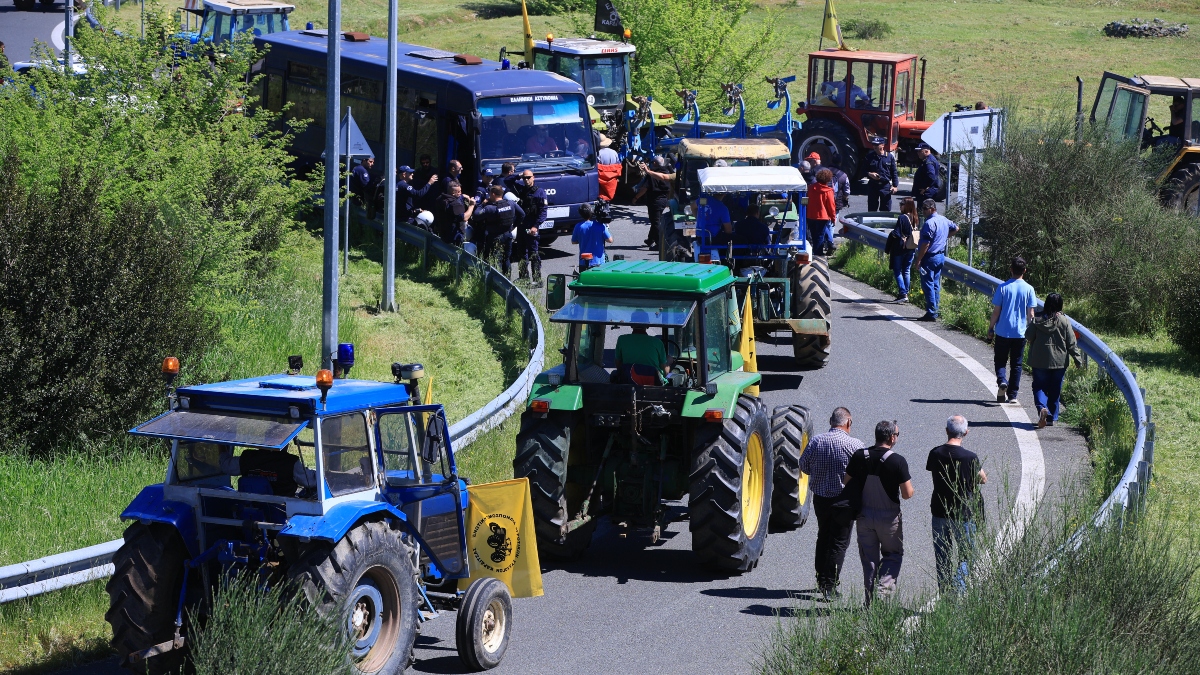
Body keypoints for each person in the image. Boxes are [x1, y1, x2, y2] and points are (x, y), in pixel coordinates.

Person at [798, 407, 867, 599]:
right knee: (838, 542)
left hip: (821, 499)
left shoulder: (816, 441)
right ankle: (829, 586)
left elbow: (803, 466)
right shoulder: (855, 445)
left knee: (823, 536)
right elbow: (864, 472)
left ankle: (821, 578)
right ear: (848, 423)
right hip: (844, 501)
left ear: (831, 421)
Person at [844, 420, 913, 606]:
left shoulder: (860, 456)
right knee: (892, 555)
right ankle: (884, 594)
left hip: (864, 516)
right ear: (891, 437)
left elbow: (846, 480)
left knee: (869, 561)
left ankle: (869, 602)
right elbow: (907, 494)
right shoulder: (897, 461)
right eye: (897, 435)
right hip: (889, 518)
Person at [926, 415, 986, 593]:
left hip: (939, 510)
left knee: (942, 556)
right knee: (968, 555)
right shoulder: (970, 457)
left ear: (947, 431)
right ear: (966, 433)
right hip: (963, 513)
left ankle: (945, 594)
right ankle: (958, 586)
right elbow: (983, 479)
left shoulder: (935, 453)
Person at [1026, 293, 1083, 428]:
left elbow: (1028, 336)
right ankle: (1051, 417)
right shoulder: (1064, 320)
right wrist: (1077, 358)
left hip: (1039, 359)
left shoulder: (1038, 319)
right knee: (1055, 389)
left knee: (1039, 386)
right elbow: (1071, 342)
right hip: (1059, 361)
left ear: (1045, 303)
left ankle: (1042, 408)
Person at [988, 256, 1037, 404]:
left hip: (1003, 331)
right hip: (1020, 333)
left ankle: (1002, 380)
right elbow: (1031, 314)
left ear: (1011, 269)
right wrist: (1032, 333)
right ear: (1025, 271)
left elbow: (996, 311)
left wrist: (991, 328)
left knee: (1000, 360)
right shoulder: (1029, 289)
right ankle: (1013, 395)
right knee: (1017, 364)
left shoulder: (1003, 287)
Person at [911, 199, 959, 321]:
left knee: (928, 285)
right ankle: (936, 310)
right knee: (936, 284)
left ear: (932, 209)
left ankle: (931, 312)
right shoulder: (943, 219)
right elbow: (956, 228)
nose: (923, 211)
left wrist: (918, 260)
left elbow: (925, 244)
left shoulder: (929, 223)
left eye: (925, 209)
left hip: (929, 258)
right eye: (922, 208)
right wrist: (944, 237)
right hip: (940, 257)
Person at [472, 185, 524, 276]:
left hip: (495, 237)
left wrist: (482, 204)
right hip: (508, 235)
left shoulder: (490, 208)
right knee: (506, 259)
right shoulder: (511, 203)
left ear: (493, 194)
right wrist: (513, 226)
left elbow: (476, 215)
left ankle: (498, 283)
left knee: (496, 259)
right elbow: (522, 214)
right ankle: (508, 281)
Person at [513, 169, 547, 284]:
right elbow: (507, 180)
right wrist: (519, 175)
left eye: (528, 177)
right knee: (521, 252)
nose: (526, 180)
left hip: (531, 226)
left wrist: (536, 226)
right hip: (522, 226)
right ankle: (523, 278)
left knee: (533, 252)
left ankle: (537, 279)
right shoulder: (521, 189)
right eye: (524, 178)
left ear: (533, 177)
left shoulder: (539, 192)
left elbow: (543, 211)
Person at [633, 156, 672, 250]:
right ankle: (650, 239)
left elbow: (644, 189)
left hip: (654, 201)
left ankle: (659, 244)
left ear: (654, 163)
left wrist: (636, 197)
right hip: (663, 200)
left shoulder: (652, 175)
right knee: (655, 220)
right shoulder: (667, 173)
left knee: (655, 222)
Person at [889, 198, 919, 302]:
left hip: (901, 247)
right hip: (911, 247)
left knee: (897, 270)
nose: (900, 206)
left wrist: (892, 235)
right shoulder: (915, 218)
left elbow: (896, 232)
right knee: (906, 270)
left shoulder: (902, 217)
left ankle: (903, 293)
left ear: (907, 205)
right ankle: (905, 293)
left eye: (902, 204)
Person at [571, 203, 612, 269]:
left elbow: (574, 241)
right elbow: (610, 240)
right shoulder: (600, 226)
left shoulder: (578, 226)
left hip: (583, 262)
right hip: (598, 262)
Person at [807, 169, 837, 256]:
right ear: (828, 179)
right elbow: (831, 206)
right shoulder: (828, 191)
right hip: (822, 217)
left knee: (813, 235)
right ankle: (818, 255)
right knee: (820, 236)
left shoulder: (811, 188)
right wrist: (833, 218)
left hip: (810, 215)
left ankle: (815, 253)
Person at [434, 181, 475, 245]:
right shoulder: (455, 204)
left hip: (444, 235)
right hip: (454, 238)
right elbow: (464, 218)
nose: (460, 193)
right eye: (459, 192)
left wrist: (462, 196)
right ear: (453, 193)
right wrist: (471, 205)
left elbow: (455, 197)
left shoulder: (441, 199)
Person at [864, 137, 898, 212]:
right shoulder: (869, 157)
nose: (874, 146)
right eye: (873, 144)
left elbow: (894, 172)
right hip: (873, 185)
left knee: (885, 209)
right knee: (872, 209)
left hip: (885, 186)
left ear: (882, 145)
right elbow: (863, 170)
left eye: (877, 144)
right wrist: (870, 174)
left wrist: (895, 186)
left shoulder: (889, 157)